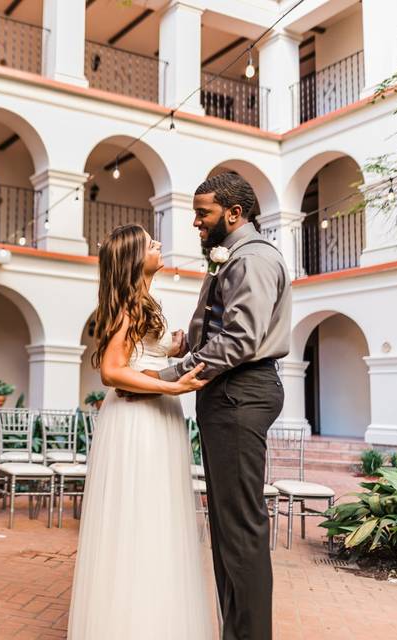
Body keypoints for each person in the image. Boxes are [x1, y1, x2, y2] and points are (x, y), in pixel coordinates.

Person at [150, 172, 291, 640]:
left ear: (234, 213)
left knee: (240, 531)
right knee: (227, 530)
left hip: (240, 392)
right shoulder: (233, 257)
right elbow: (220, 329)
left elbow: (240, 340)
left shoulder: (252, 259)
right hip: (228, 392)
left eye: (203, 213)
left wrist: (169, 377)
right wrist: (178, 347)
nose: (195, 222)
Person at [67, 224, 217, 640]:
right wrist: (173, 385)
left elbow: (145, 351)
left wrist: (182, 343)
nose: (159, 245)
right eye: (151, 243)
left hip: (157, 416)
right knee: (139, 517)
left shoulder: (144, 302)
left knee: (157, 518)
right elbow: (113, 371)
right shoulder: (129, 307)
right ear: (135, 258)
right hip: (137, 421)